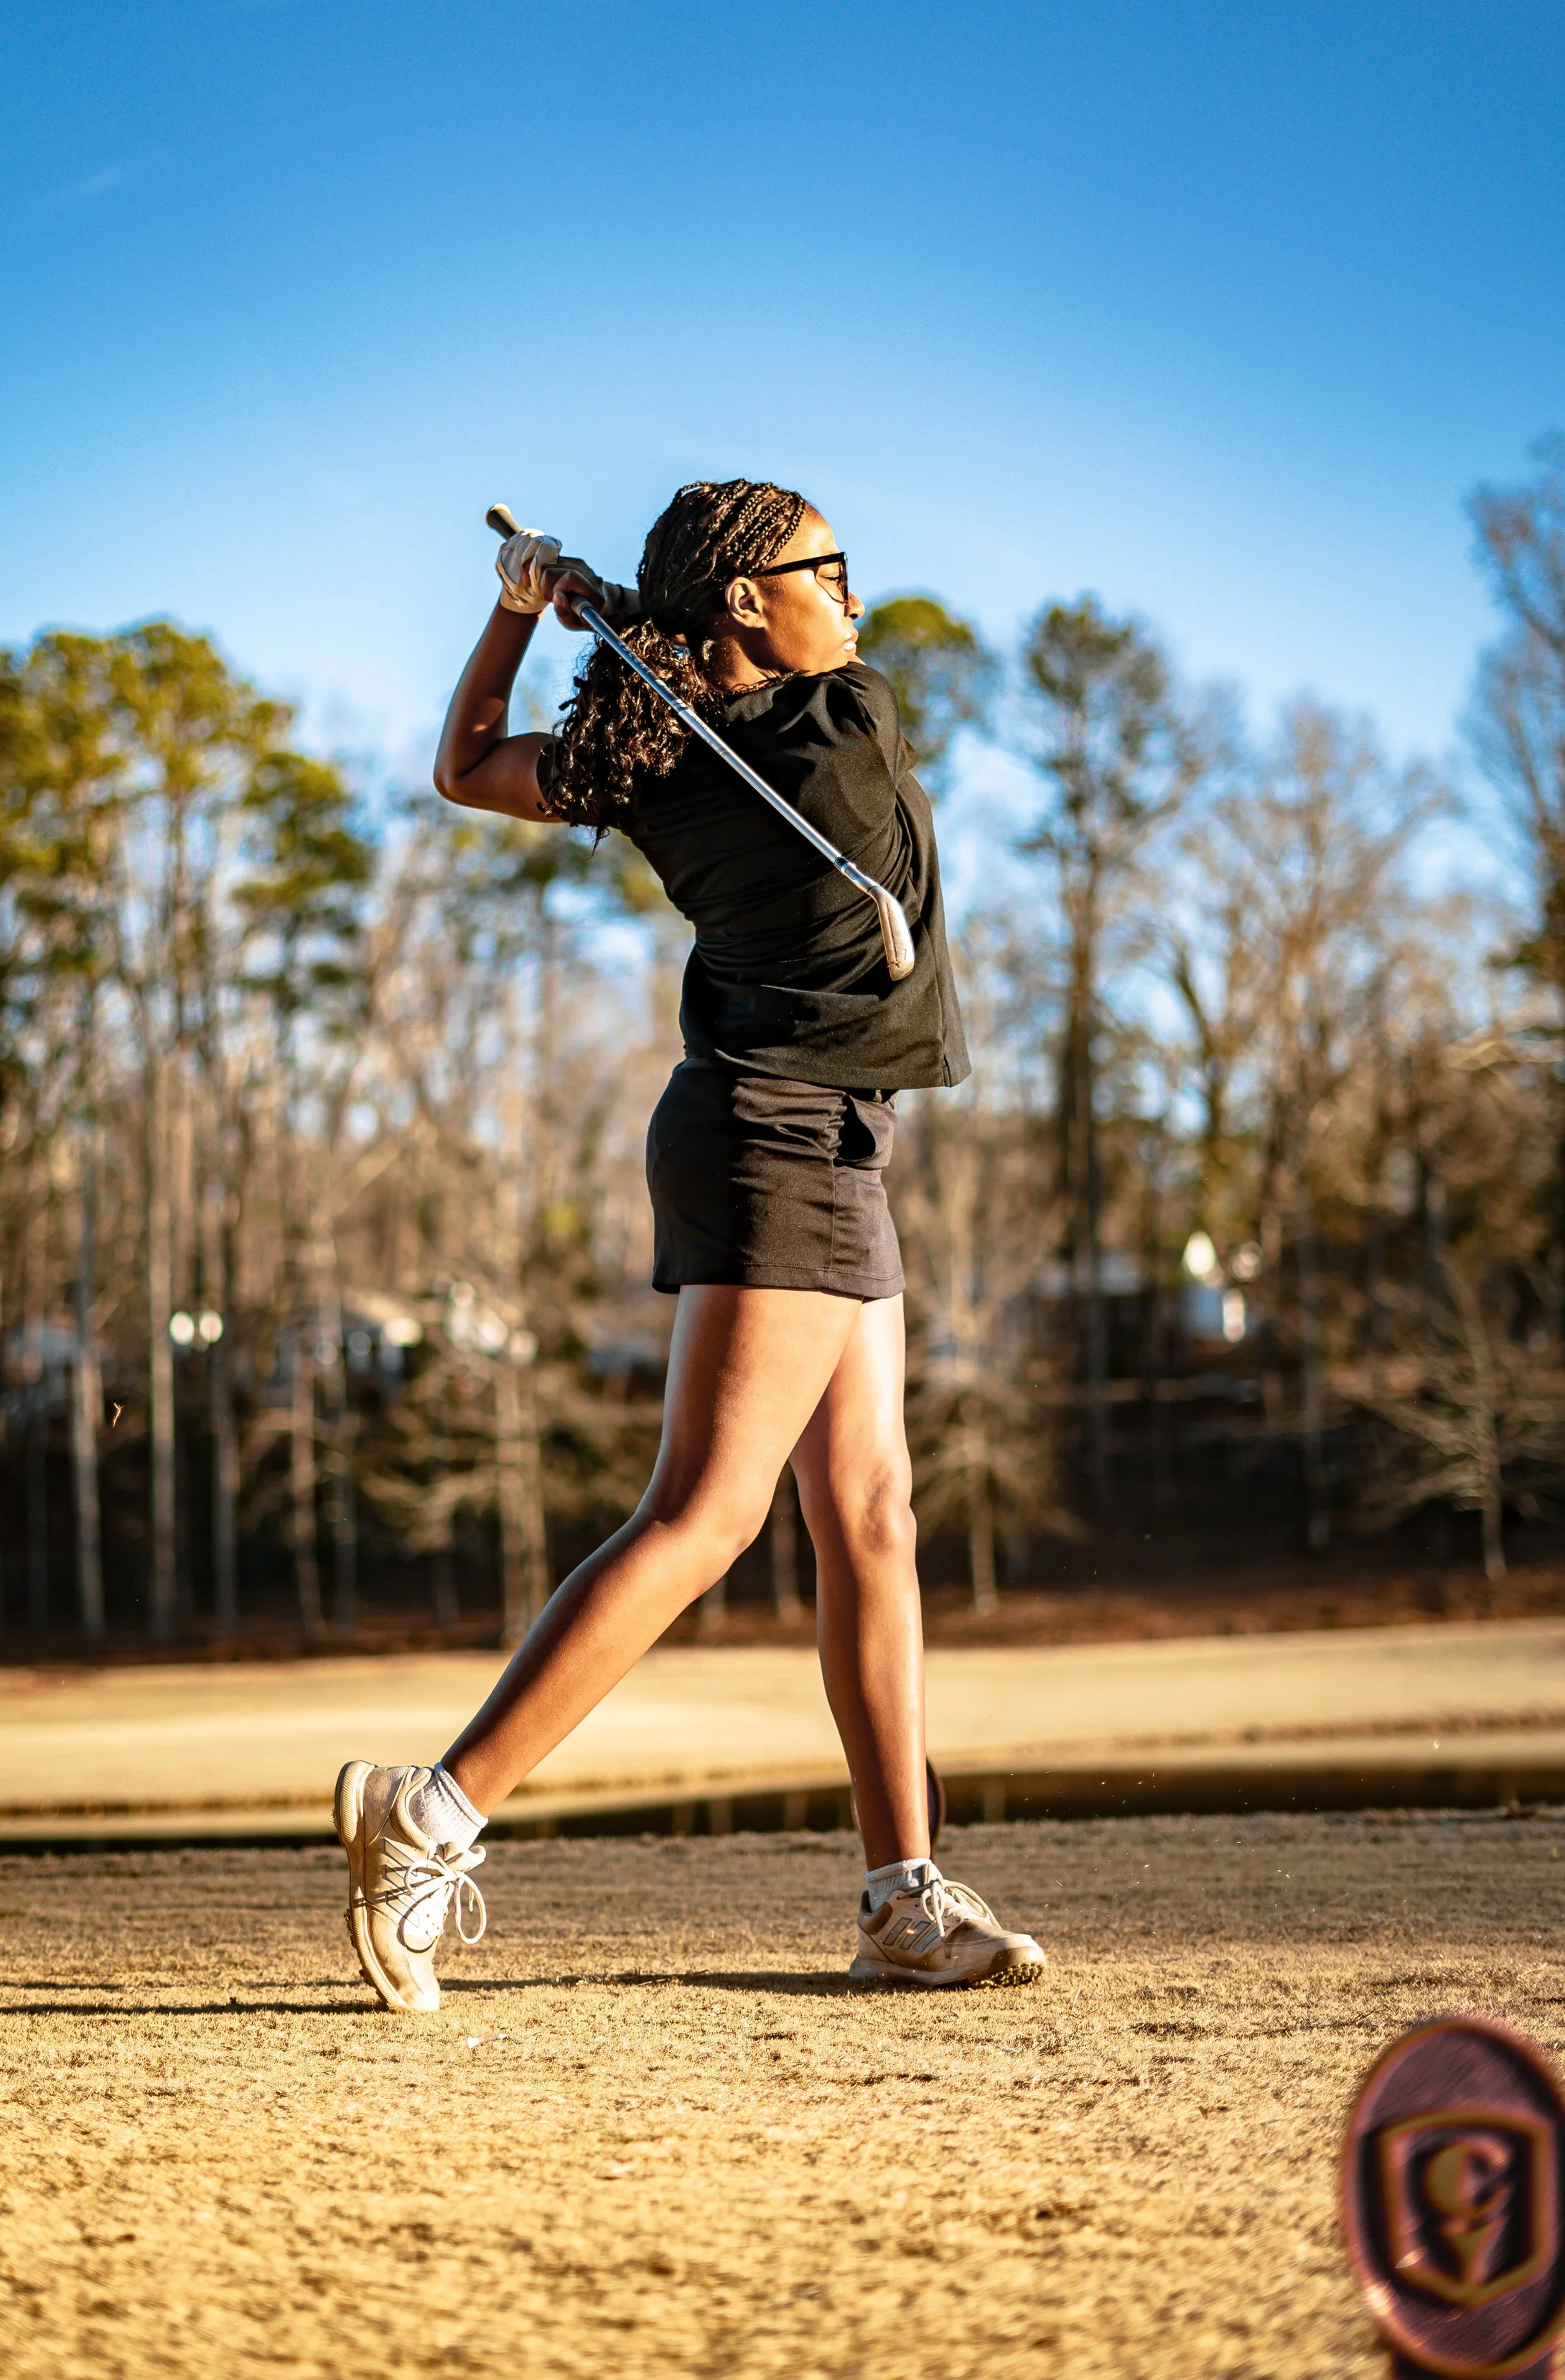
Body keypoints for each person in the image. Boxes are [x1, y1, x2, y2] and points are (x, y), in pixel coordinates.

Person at [333, 477, 1046, 2009]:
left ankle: (898, 1899)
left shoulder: (651, 761)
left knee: (868, 1516)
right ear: (744, 604)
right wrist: (609, 610)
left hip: (818, 1134)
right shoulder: (838, 728)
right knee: (705, 1517)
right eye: (823, 568)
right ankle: (426, 1817)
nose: (853, 595)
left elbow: (465, 767)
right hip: (774, 1136)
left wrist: (526, 612)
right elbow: (797, 673)